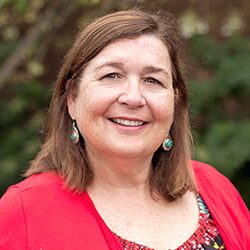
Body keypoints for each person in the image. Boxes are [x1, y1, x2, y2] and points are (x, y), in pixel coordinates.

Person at [0, 9, 249, 250]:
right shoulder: (23, 213)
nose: (133, 98)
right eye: (111, 75)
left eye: (152, 80)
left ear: (174, 101)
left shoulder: (216, 188)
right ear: (72, 98)